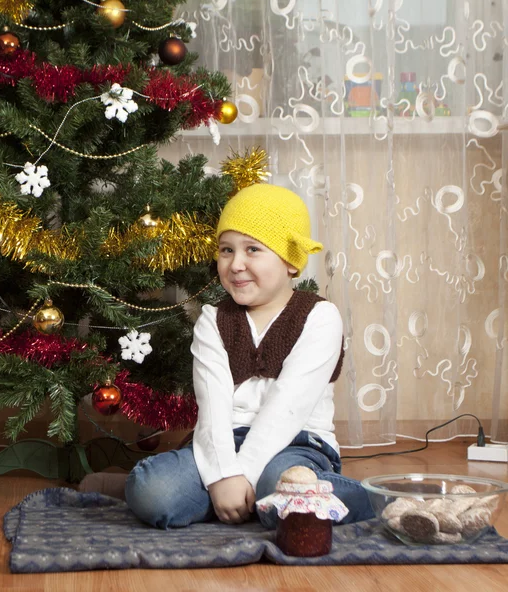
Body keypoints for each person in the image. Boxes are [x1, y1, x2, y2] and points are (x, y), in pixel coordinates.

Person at [80, 183, 374, 529]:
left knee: (280, 485)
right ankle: (239, 503)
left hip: (297, 444)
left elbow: (288, 406)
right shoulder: (213, 321)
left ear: (291, 262)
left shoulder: (320, 318)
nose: (236, 264)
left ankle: (376, 499)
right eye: (226, 250)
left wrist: (242, 476)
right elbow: (213, 407)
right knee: (153, 491)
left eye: (253, 249)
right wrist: (222, 475)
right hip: (223, 442)